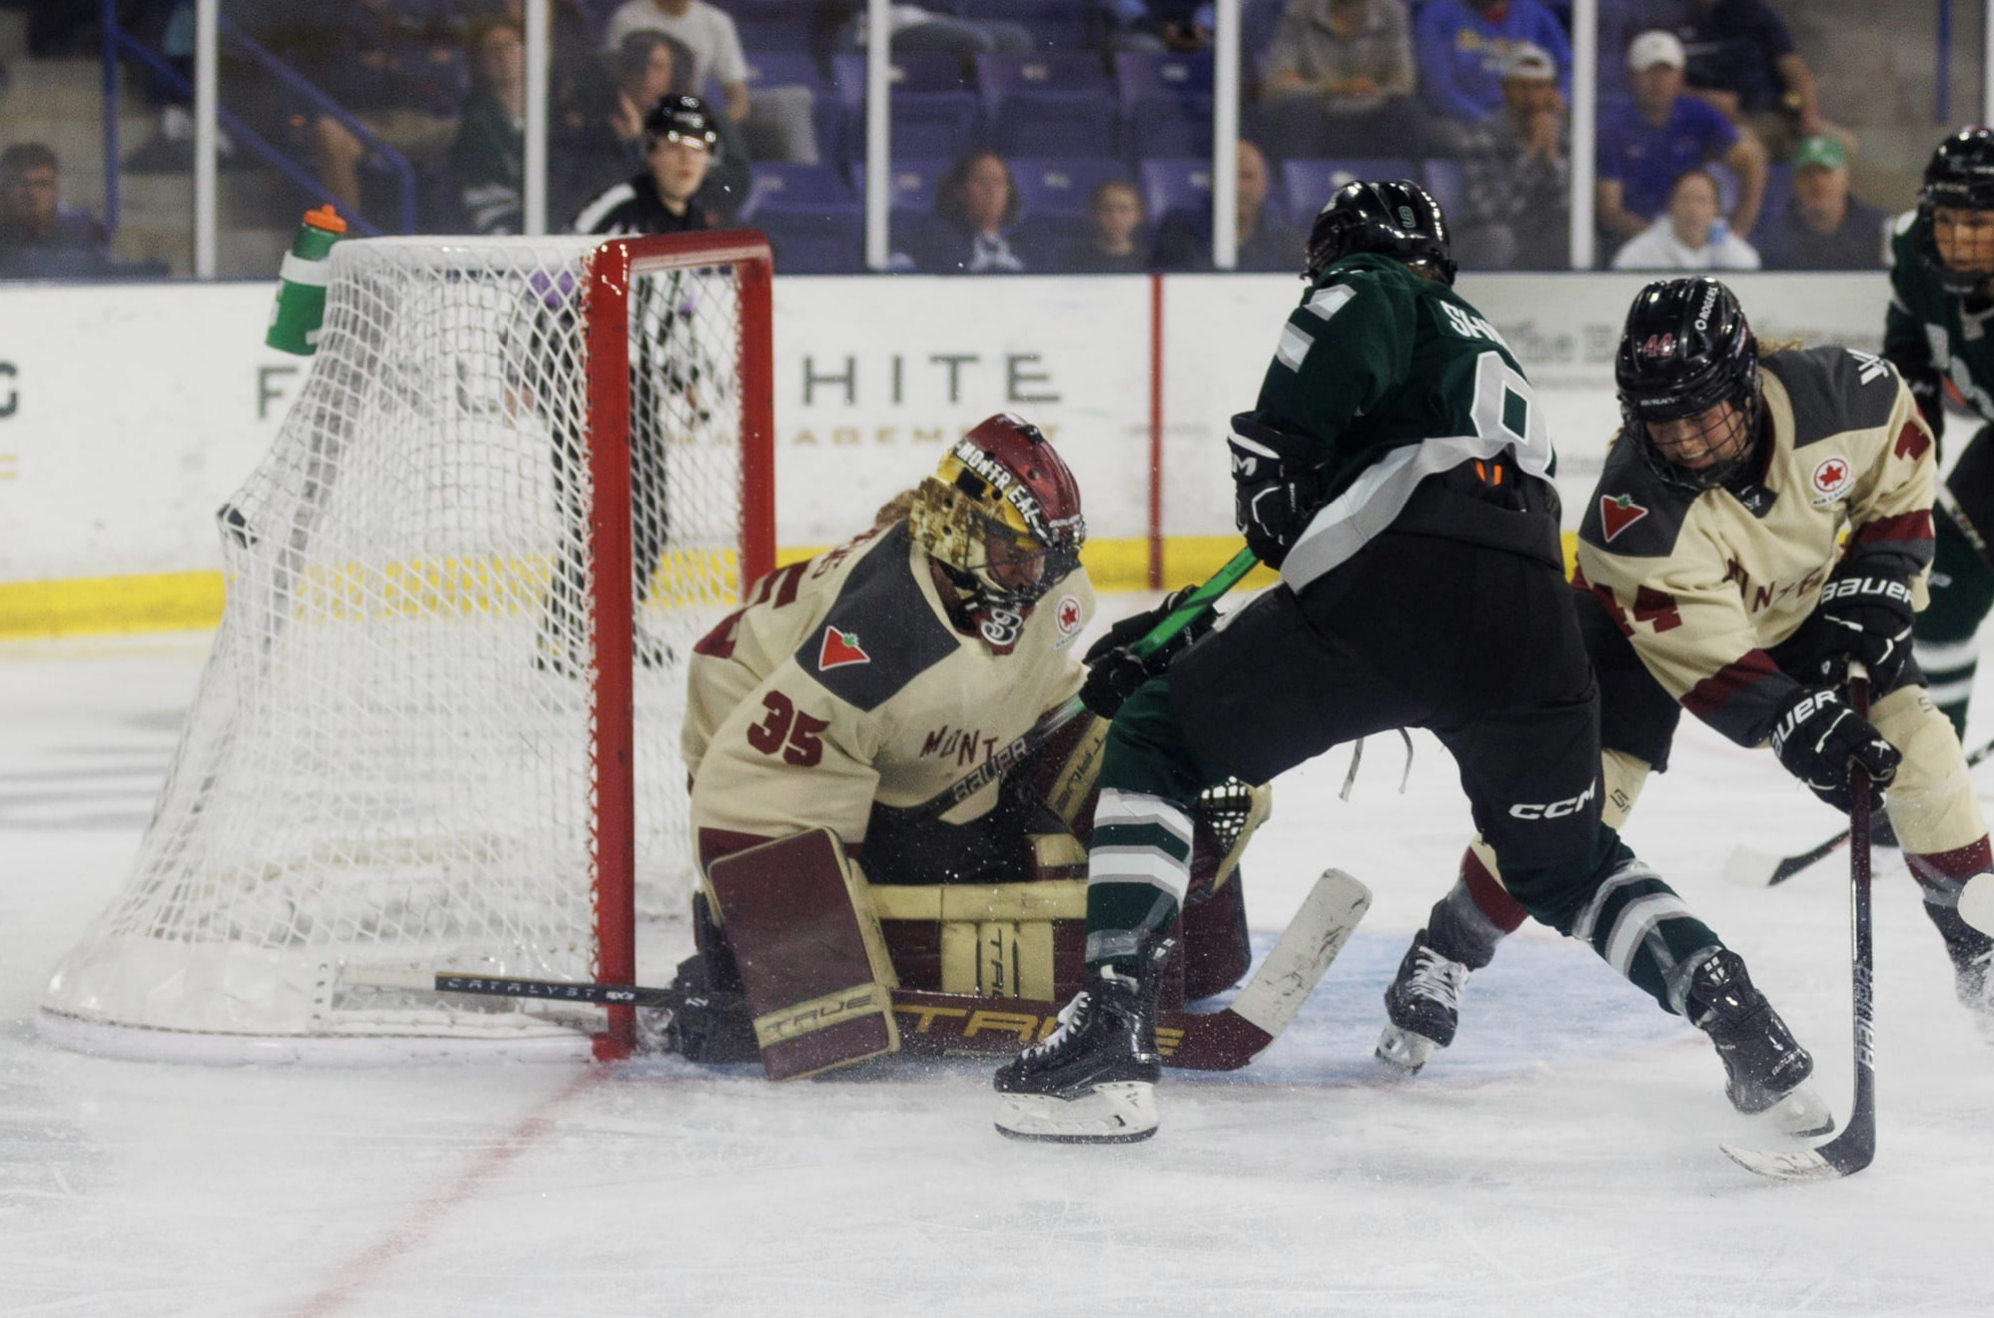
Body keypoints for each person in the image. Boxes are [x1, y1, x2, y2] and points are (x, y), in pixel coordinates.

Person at [993, 180, 1650, 1143]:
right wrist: (1196, 625)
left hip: (1397, 605)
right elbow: (1356, 522)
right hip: (1529, 613)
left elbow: (1317, 504)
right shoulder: (1475, 346)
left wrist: (1268, 473)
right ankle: (1748, 1028)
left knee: (1162, 736)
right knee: (1567, 860)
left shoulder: (1367, 286)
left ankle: (1110, 1038)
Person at [1378, 276, 1994, 1084]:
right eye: (1666, 424)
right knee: (1574, 805)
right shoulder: (1629, 521)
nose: (1692, 444)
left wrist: (1879, 572)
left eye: (1706, 415)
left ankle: (1978, 952)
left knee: (1918, 740)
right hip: (1633, 635)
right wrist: (1790, 718)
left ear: (1745, 383)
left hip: (1804, 602)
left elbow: (1902, 477)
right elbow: (1713, 660)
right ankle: (1446, 948)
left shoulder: (1848, 394)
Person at [669, 416, 1263, 1068]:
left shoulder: (1025, 587)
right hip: (750, 715)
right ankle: (739, 961)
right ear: (961, 533)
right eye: (1018, 557)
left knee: (1079, 765)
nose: (1041, 578)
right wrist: (786, 964)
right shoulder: (877, 641)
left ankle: (1179, 891)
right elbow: (759, 781)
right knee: (841, 862)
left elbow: (1035, 697)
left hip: (895, 741)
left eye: (1052, 556)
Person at [539, 96, 720, 672]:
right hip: (582, 373)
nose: (685, 159)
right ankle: (562, 634)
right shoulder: (618, 208)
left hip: (636, 381)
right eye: (672, 145)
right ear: (649, 151)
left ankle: (614, 626)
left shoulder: (691, 221)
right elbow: (546, 277)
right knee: (598, 513)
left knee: (648, 519)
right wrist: (528, 360)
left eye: (697, 148)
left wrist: (687, 378)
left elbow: (680, 307)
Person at [1884, 128, 1994, 740]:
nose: (1959, 240)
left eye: (1979, 223)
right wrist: (1914, 459)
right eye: (1948, 218)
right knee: (1943, 591)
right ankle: (1934, 771)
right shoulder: (1912, 247)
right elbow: (1909, 349)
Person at [1597, 30, 1764, 251]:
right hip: (1634, 245)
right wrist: (1663, 241)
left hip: (1695, 239)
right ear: (1631, 76)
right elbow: (1610, 211)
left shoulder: (1697, 113)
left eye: (1666, 71)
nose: (1658, 81)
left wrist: (1737, 231)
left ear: (1680, 76)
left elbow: (1750, 163)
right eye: (1648, 72)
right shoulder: (1612, 127)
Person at [600, 0, 817, 164]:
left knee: (793, 99)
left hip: (695, 117)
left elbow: (739, 101)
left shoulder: (716, 21)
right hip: (645, 114)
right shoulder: (630, 18)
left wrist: (708, 128)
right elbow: (615, 84)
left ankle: (808, 191)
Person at [1676, 0, 1851, 165]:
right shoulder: (1674, 17)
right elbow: (1664, 84)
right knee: (1744, 149)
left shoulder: (1754, 12)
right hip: (1727, 125)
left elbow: (1794, 68)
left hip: (1780, 118)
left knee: (1843, 146)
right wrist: (1707, 99)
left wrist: (1809, 115)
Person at [1451, 41, 1568, 271]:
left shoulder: (1564, 135)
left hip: (1537, 236)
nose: (1532, 97)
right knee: (1500, 238)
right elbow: (1493, 212)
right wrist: (1531, 152)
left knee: (1573, 237)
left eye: (1540, 86)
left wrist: (1553, 157)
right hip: (1482, 237)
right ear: (1505, 89)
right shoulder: (1483, 136)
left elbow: (1568, 207)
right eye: (1523, 87)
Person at [1256, 0, 1419, 157]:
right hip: (1316, 110)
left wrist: (1367, 91)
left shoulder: (1391, 12)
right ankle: (1301, 180)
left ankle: (1397, 180)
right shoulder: (1300, 10)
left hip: (1372, 111)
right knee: (1296, 109)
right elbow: (1277, 86)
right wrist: (1336, 87)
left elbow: (1403, 83)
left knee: (1406, 110)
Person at [1411, 0, 1570, 153]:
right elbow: (1438, 90)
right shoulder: (1436, 17)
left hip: (1529, 114)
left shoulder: (1534, 14)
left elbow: (1569, 69)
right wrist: (1494, 123)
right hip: (1467, 121)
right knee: (1456, 138)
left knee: (1569, 132)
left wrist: (1550, 108)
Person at [1149, 139, 1303, 273]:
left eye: (1247, 177)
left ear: (1265, 184)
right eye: (1230, 176)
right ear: (1213, 181)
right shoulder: (1179, 233)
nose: (1238, 187)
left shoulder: (1285, 242)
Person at [1756, 136, 1890, 271]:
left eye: (1825, 171)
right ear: (1795, 181)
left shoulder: (1879, 229)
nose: (1817, 181)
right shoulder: (1774, 236)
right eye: (1807, 173)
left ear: (1845, 178)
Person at [447, 16, 525, 234]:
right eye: (493, 50)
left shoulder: (554, 115)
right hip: (500, 232)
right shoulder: (475, 124)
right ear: (479, 61)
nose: (504, 56)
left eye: (512, 46)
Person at [903, 151, 1031, 274]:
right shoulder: (937, 243)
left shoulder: (1025, 247)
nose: (991, 190)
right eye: (981, 181)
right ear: (961, 190)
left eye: (998, 181)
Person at [1611, 167, 1762, 270]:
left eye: (1701, 201)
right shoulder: (1638, 254)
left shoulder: (1739, 256)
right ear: (1671, 205)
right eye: (1685, 199)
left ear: (1716, 209)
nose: (1693, 209)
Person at [0, 142, 112, 279]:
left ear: (55, 190)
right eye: (21, 183)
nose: (31, 193)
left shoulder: (84, 236)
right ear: (4, 189)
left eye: (42, 184)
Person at [1058, 179, 1150, 273]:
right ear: (1094, 215)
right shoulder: (1074, 260)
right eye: (1106, 209)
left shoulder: (1150, 261)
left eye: (1124, 209)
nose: (1115, 218)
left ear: (1138, 216)